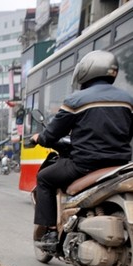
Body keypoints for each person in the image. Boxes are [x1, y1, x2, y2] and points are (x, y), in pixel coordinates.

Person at [31, 50, 133, 247]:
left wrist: (39, 138)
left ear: (86, 70)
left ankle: (51, 232)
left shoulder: (76, 100)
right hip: (120, 165)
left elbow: (52, 134)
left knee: (44, 179)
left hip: (85, 165)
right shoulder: (128, 100)